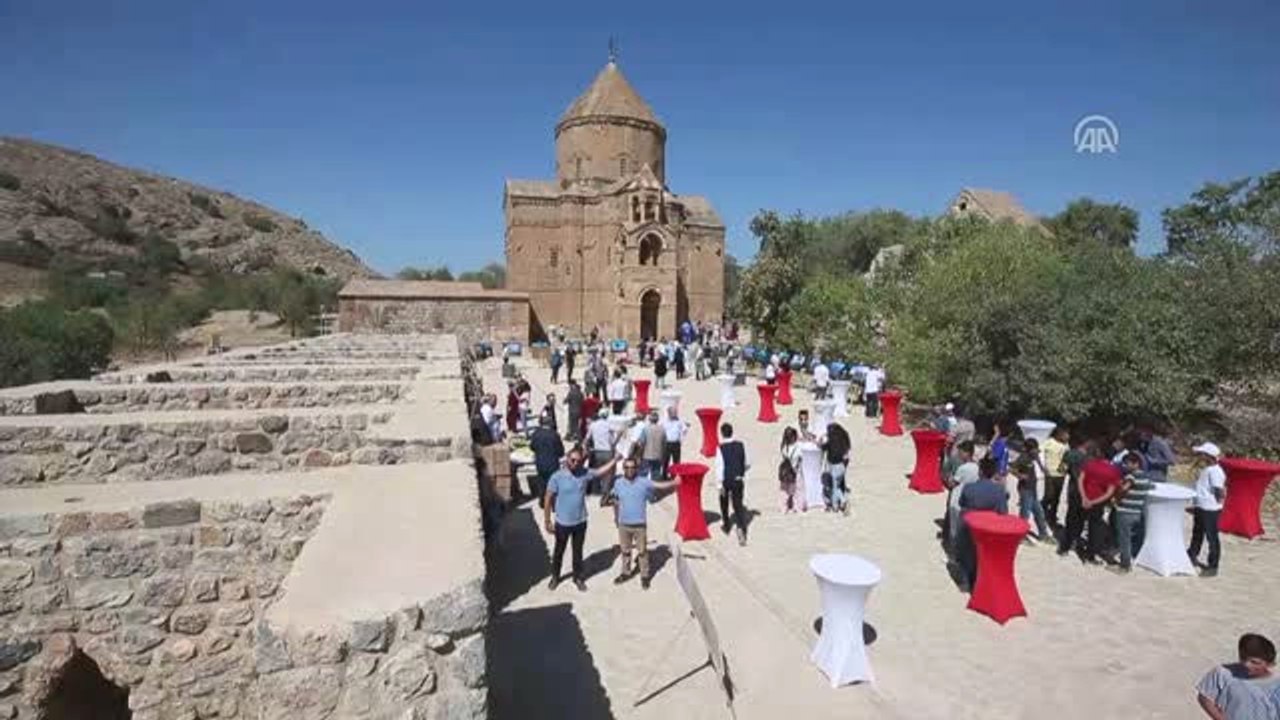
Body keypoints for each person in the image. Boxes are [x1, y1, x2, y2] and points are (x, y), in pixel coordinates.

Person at [544, 448, 617, 591]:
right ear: (566, 459)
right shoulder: (556, 477)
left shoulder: (585, 473)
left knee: (577, 551)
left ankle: (577, 577)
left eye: (578, 461)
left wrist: (615, 460)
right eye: (573, 460)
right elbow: (548, 498)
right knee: (559, 551)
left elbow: (600, 471)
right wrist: (547, 520)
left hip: (580, 521)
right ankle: (555, 576)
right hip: (562, 523)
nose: (575, 463)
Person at [610, 456, 681, 589]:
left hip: (639, 525)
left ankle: (644, 575)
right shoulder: (618, 483)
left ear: (636, 469)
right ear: (623, 469)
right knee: (625, 550)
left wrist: (674, 483)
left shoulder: (644, 482)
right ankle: (626, 572)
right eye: (627, 467)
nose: (629, 470)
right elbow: (615, 501)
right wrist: (616, 517)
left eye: (632, 467)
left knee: (642, 551)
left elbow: (659, 485)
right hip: (623, 524)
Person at [1195, 633, 1280, 719]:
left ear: (1270, 664)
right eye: (1243, 658)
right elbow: (1204, 697)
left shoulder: (1277, 686)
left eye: (1254, 662)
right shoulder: (1223, 673)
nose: (1246, 664)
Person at [956, 456, 1008, 589]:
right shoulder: (999, 490)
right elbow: (1003, 512)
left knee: (966, 553)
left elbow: (961, 503)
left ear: (980, 472)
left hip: (969, 527)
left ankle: (965, 581)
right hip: (988, 528)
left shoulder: (968, 487)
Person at [1075, 446, 1124, 564]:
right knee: (1095, 527)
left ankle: (1076, 543)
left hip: (1083, 498)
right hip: (1098, 502)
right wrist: (1093, 502)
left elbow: (1080, 480)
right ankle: (1090, 555)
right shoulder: (1114, 471)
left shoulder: (1089, 464)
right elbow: (1109, 492)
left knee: (1078, 522)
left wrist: (1084, 497)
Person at [1188, 441, 1227, 577]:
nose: (1199, 456)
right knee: (1197, 533)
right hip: (1201, 506)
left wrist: (1216, 505)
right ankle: (1192, 555)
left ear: (1208, 456)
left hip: (1210, 509)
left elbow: (1219, 491)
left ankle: (1213, 565)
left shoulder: (1215, 471)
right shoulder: (1207, 469)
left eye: (1202, 454)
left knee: (1212, 537)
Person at [1113, 451, 1153, 573]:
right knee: (1136, 537)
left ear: (1136, 464)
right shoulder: (1146, 477)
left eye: (1128, 463)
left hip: (1126, 511)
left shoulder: (1131, 476)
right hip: (1138, 512)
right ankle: (1135, 557)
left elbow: (1124, 489)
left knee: (1124, 539)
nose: (1125, 466)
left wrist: (1117, 492)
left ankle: (1125, 565)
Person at [715, 423, 751, 545]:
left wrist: (719, 485)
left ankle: (726, 524)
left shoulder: (720, 448)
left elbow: (719, 467)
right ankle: (741, 528)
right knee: (738, 504)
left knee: (724, 503)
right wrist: (740, 472)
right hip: (738, 478)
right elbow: (746, 463)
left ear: (722, 434)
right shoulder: (740, 445)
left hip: (727, 479)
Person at [1056, 437, 1092, 558]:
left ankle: (1064, 546)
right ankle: (1076, 541)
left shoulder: (1069, 454)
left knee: (1071, 516)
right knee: (1082, 517)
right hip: (1088, 490)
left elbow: (1061, 469)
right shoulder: (1091, 456)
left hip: (1073, 489)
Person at [1011, 438, 1051, 542]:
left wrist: (1042, 468)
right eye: (1035, 449)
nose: (1036, 451)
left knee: (1039, 512)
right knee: (1025, 514)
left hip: (1032, 489)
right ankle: (1020, 536)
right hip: (1025, 490)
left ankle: (1043, 534)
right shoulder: (1023, 458)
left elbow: (1037, 456)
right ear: (1029, 449)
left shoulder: (1033, 455)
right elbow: (1012, 469)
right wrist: (1020, 476)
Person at [944, 441, 980, 549]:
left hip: (957, 500)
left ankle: (953, 552)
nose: (959, 454)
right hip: (970, 502)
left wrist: (948, 478)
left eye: (961, 452)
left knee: (955, 530)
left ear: (967, 453)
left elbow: (952, 483)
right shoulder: (977, 467)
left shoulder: (963, 468)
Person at [528, 416, 565, 506]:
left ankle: (542, 501)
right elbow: (560, 451)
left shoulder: (536, 434)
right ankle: (553, 502)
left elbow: (532, 447)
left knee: (542, 482)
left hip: (540, 462)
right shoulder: (554, 435)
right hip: (552, 463)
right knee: (553, 483)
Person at [1041, 426, 1070, 527]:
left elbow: (1067, 458)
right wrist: (1042, 467)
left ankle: (1052, 516)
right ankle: (1042, 509)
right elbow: (1039, 453)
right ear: (1058, 434)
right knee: (1049, 495)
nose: (1067, 436)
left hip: (1061, 475)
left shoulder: (1066, 445)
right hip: (1049, 473)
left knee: (1056, 498)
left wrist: (1065, 469)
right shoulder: (1049, 442)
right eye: (1065, 434)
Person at [822, 421, 851, 513]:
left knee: (835, 488)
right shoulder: (842, 441)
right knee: (837, 486)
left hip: (834, 467)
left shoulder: (830, 443)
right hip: (842, 466)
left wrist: (821, 439)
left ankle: (839, 504)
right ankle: (841, 502)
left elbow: (822, 447)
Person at [779, 426, 802, 513]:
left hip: (785, 471)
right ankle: (797, 507)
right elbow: (800, 458)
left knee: (784, 491)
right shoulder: (797, 448)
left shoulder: (783, 447)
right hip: (795, 471)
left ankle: (783, 508)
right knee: (796, 490)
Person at [661, 406, 688, 479]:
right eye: (673, 412)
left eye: (675, 412)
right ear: (669, 413)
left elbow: (685, 430)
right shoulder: (664, 421)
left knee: (676, 461)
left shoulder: (680, 421)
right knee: (665, 461)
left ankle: (675, 476)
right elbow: (661, 431)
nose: (675, 414)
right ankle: (664, 476)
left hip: (676, 444)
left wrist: (681, 439)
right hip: (667, 443)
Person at [641, 410, 666, 480]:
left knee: (644, 474)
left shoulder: (646, 429)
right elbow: (664, 444)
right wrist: (663, 455)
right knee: (656, 473)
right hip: (658, 455)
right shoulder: (662, 429)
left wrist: (640, 454)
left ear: (649, 419)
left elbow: (642, 443)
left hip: (647, 455)